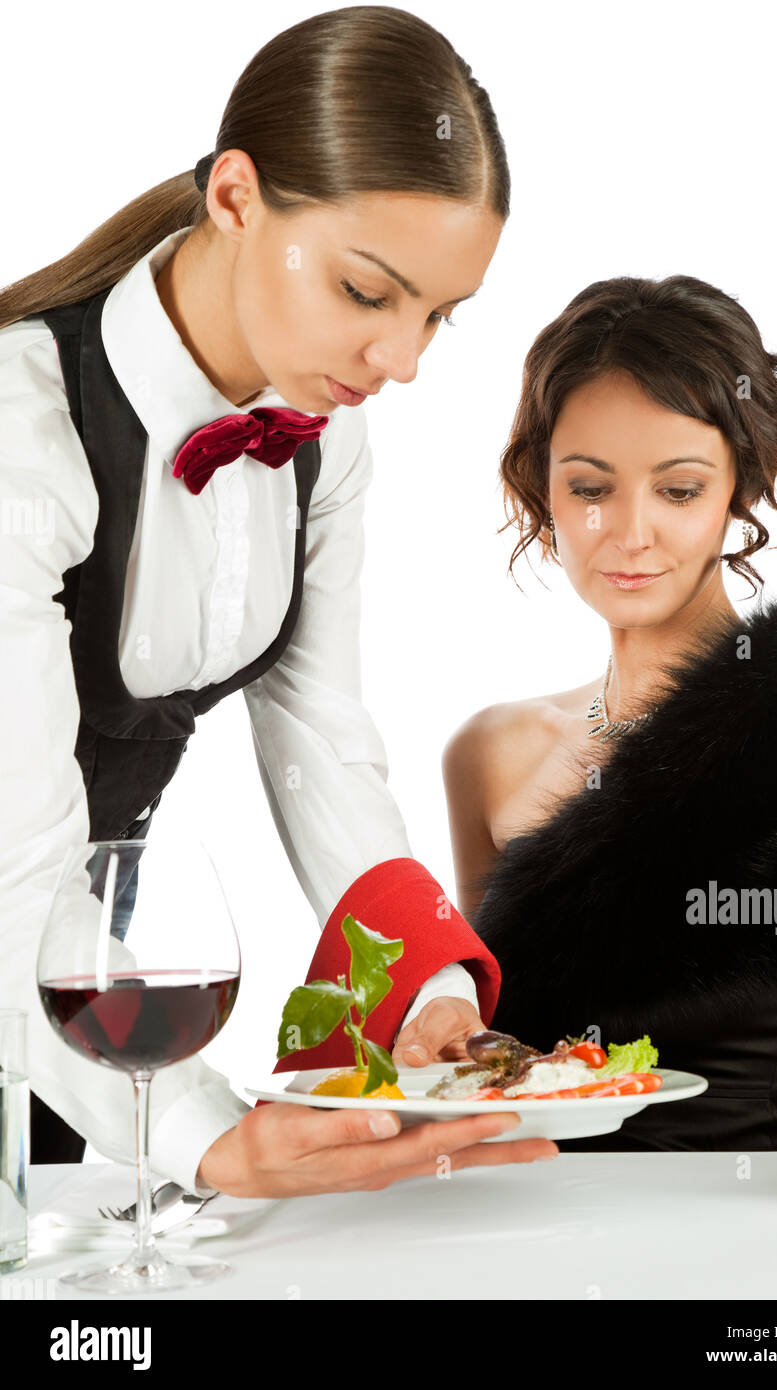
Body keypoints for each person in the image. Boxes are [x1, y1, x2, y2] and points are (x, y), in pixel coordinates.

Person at [0, 7, 560, 1201]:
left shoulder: (323, 445)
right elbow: (16, 865)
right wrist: (210, 1137)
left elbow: (321, 745)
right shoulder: (20, 435)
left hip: (53, 1030)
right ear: (238, 197)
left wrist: (432, 998)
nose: (400, 360)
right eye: (370, 291)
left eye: (438, 316)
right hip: (32, 969)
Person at [436, 275, 777, 1187]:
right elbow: (486, 1061)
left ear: (737, 492)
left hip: (766, 1246)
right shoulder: (490, 754)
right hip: (528, 1234)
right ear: (542, 492)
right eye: (589, 487)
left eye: (679, 489)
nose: (629, 534)